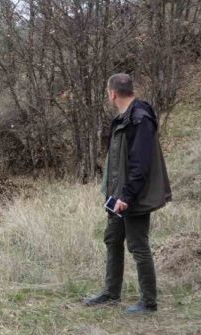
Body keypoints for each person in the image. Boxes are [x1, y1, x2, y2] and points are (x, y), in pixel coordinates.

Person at [83, 73, 172, 313]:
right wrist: (113, 196)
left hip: (134, 196)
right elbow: (118, 163)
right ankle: (111, 293)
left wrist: (126, 197)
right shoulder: (123, 118)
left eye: (107, 93)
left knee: (137, 244)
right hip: (118, 195)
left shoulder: (140, 119)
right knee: (113, 239)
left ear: (112, 94)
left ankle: (149, 302)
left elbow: (140, 165)